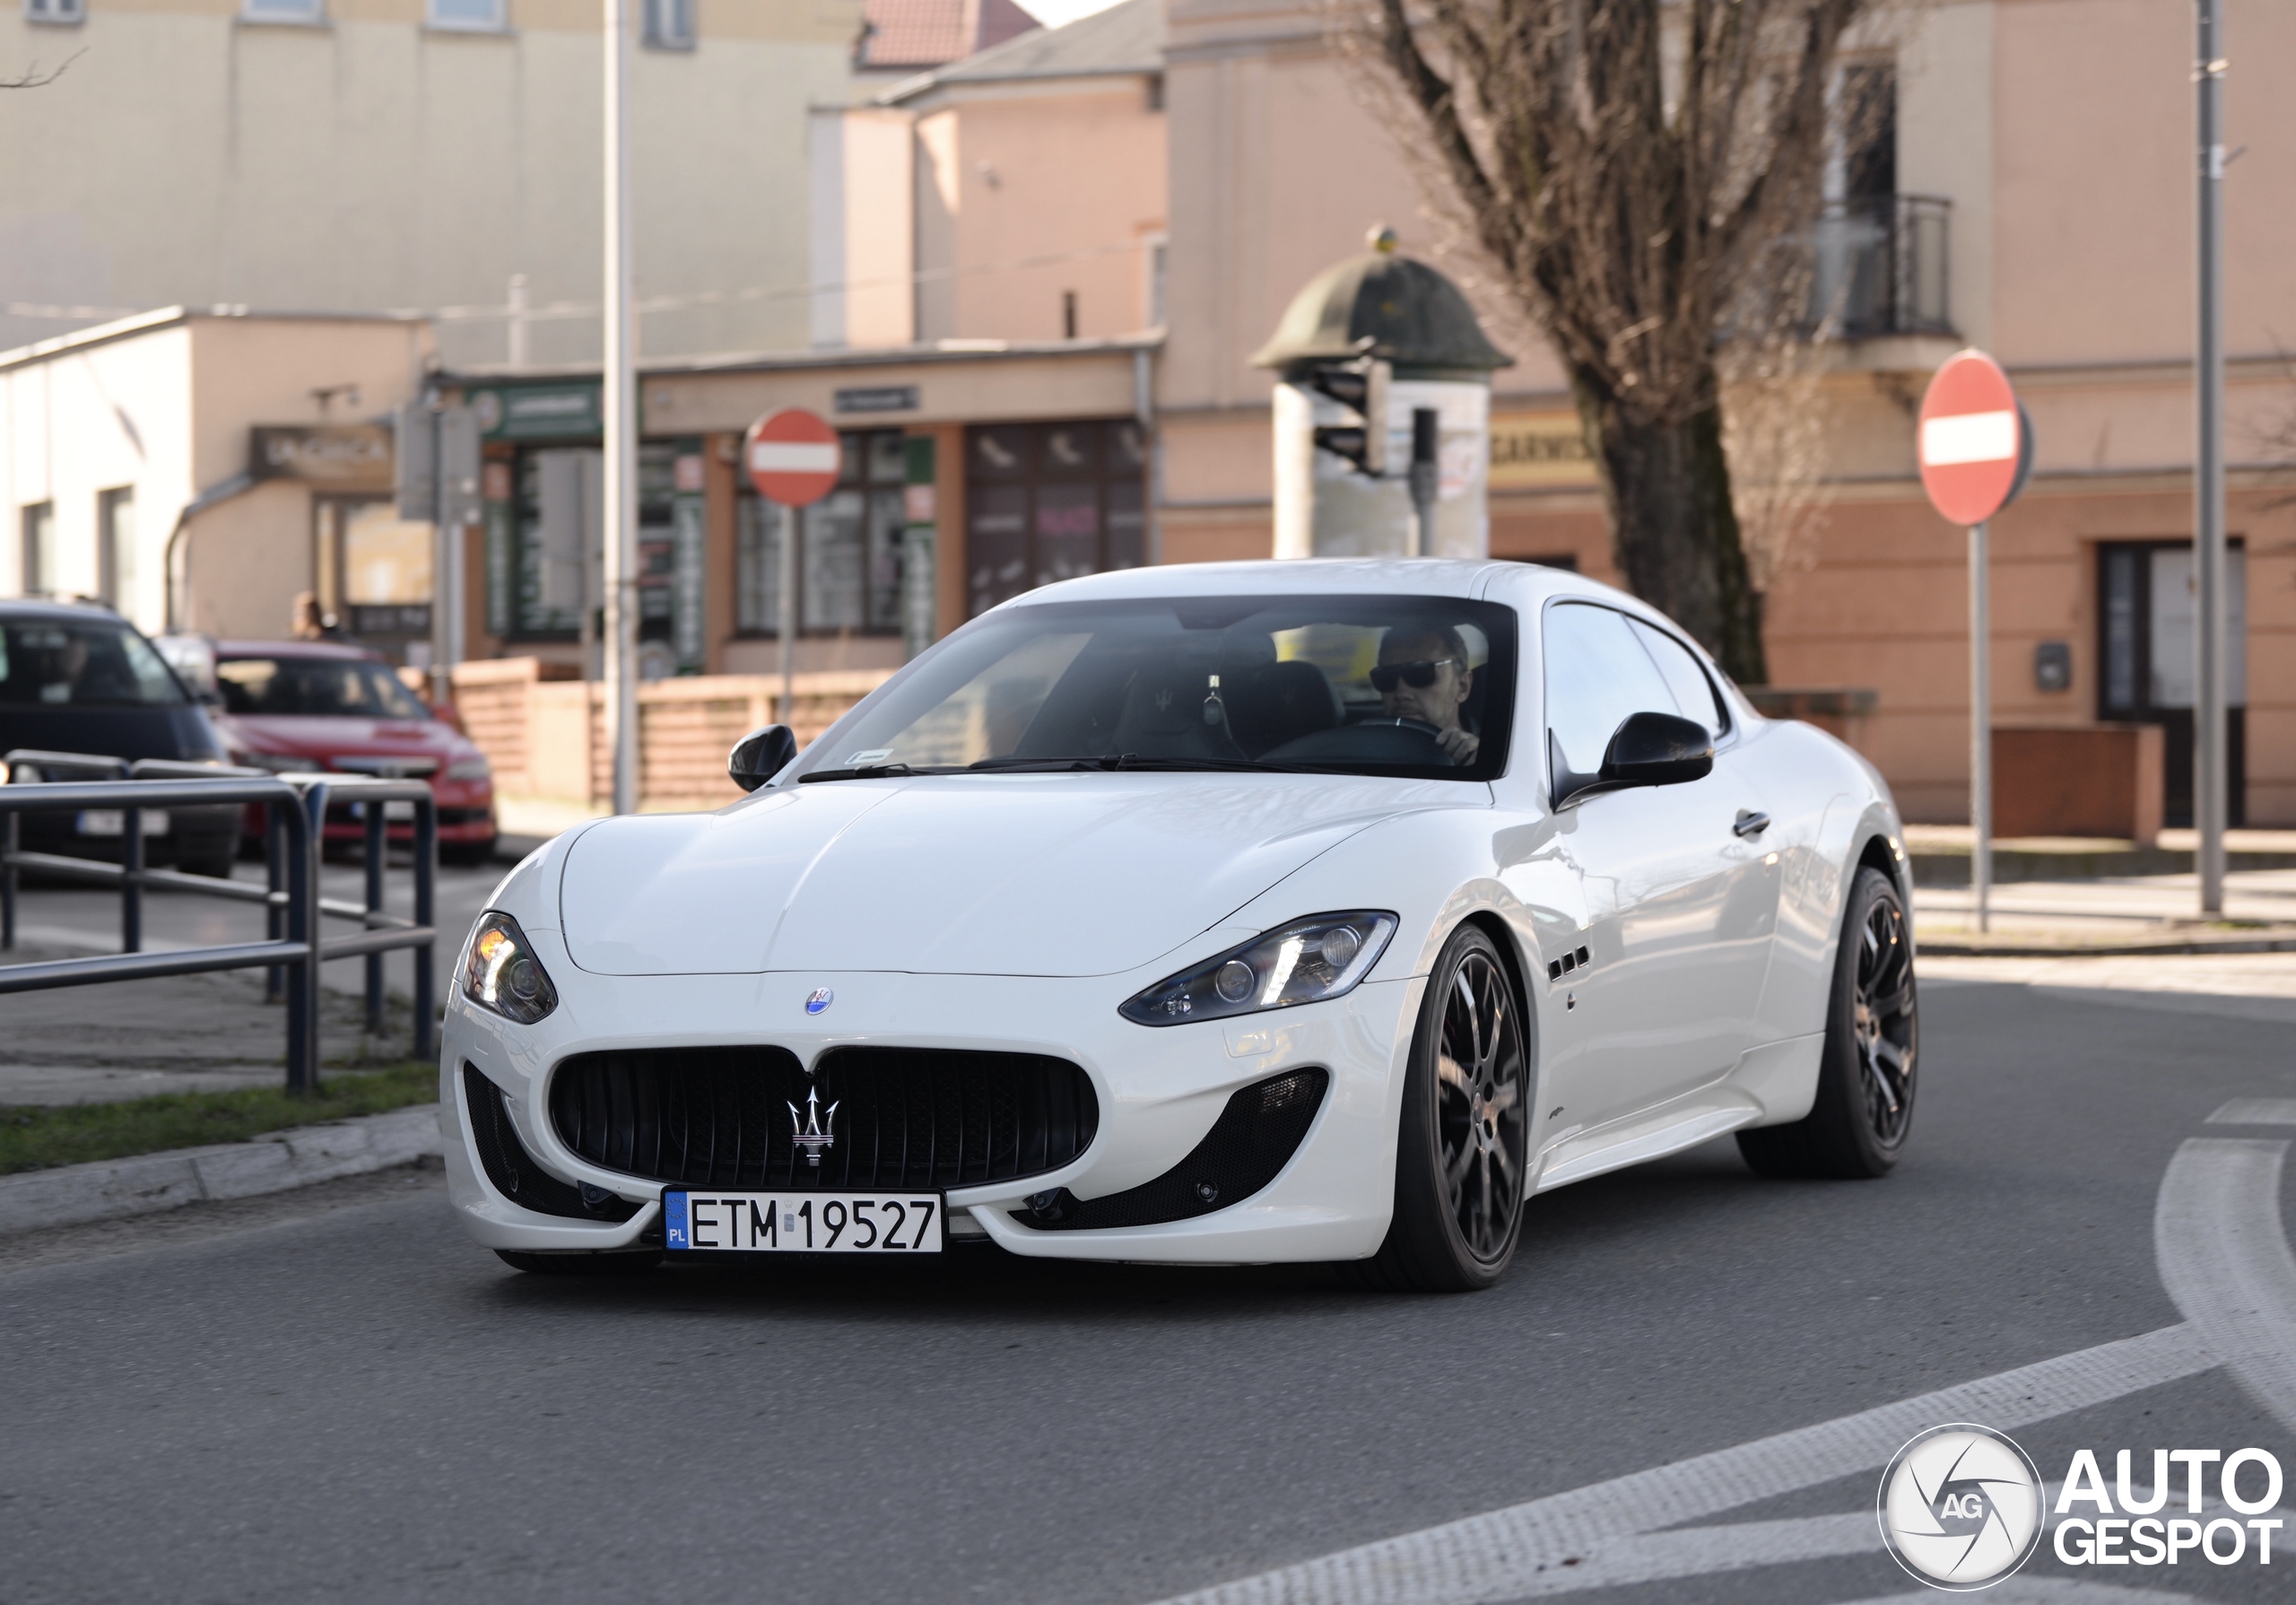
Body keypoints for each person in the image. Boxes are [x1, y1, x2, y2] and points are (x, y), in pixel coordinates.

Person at [1373, 624, 1478, 763]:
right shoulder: (1361, 751)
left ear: (1462, 687)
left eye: (1420, 674)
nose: (1402, 693)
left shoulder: (1503, 752)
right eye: (1386, 677)